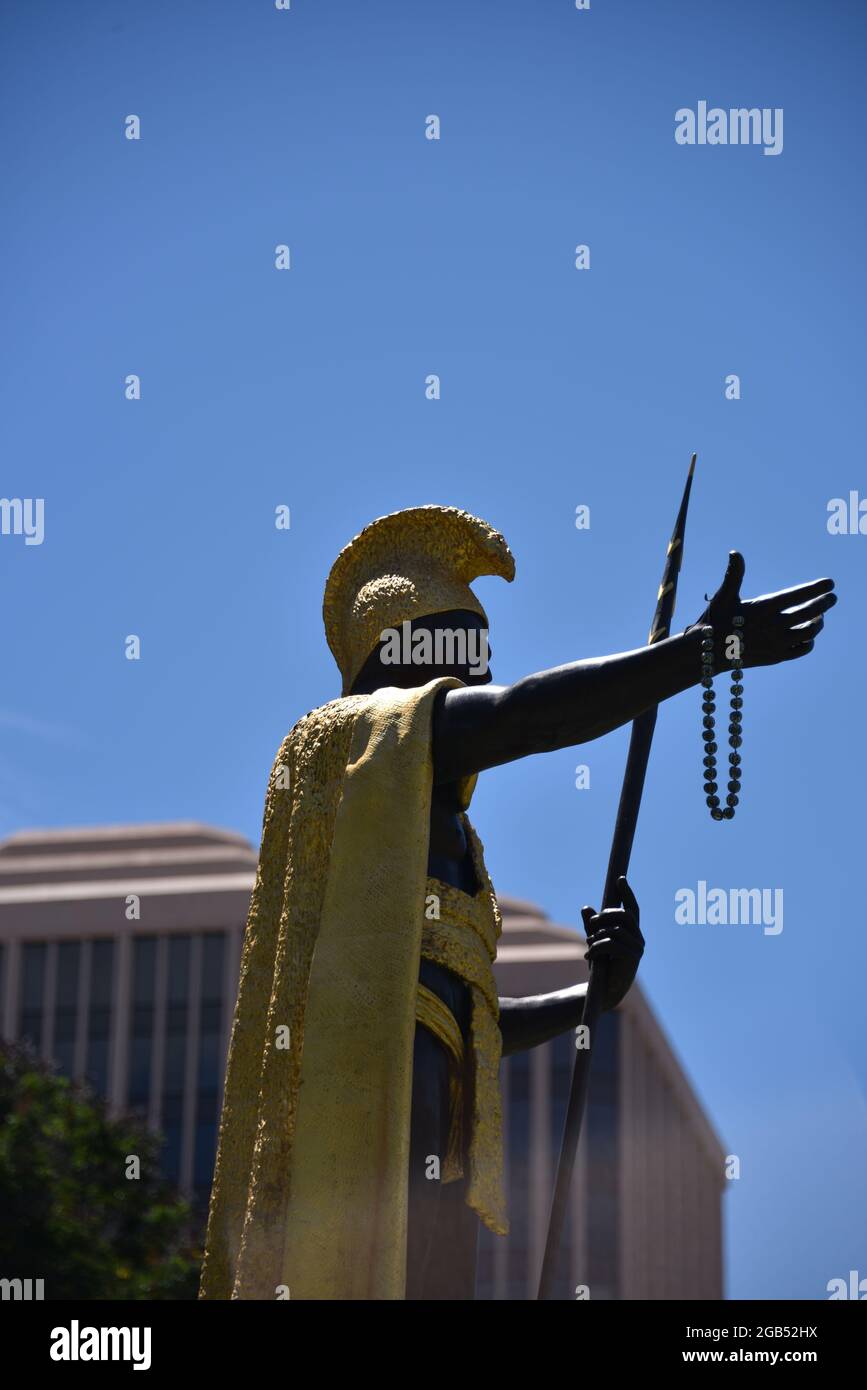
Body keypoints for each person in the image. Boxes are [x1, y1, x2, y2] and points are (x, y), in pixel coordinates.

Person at [200, 505, 835, 1301]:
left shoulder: (443, 835)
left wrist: (587, 1001)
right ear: (397, 652)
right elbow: (529, 714)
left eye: (481, 655)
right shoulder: (348, 736)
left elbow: (471, 1027)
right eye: (456, 653)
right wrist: (697, 653)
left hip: (433, 1101)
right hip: (368, 1114)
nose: (475, 674)